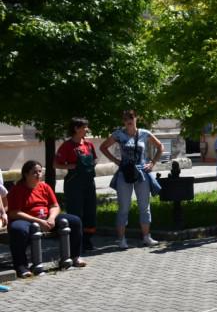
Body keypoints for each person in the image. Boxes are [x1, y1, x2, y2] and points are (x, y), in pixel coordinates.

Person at [6, 161, 85, 277]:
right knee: (17, 230)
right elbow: (14, 212)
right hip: (27, 220)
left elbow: (55, 206)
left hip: (47, 218)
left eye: (40, 171)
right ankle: (21, 266)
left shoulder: (45, 187)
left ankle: (74, 257)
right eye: (34, 172)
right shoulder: (18, 189)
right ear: (26, 175)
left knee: (74, 221)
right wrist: (38, 221)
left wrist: (51, 218)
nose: (38, 175)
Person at [101, 110, 163, 249]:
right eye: (125, 118)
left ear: (136, 118)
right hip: (125, 172)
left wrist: (152, 163)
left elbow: (160, 147)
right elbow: (103, 147)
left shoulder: (144, 134)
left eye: (131, 117)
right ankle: (122, 239)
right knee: (124, 207)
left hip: (141, 172)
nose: (128, 120)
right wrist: (116, 161)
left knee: (144, 206)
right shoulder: (118, 134)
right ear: (123, 121)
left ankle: (146, 237)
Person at [55, 118, 99, 251]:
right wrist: (73, 165)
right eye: (85, 127)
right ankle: (75, 242)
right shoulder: (67, 146)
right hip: (74, 184)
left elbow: (95, 159)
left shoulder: (89, 144)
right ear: (76, 128)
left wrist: (89, 165)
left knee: (90, 212)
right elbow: (55, 164)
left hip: (89, 183)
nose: (87, 129)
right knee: (75, 213)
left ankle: (87, 241)